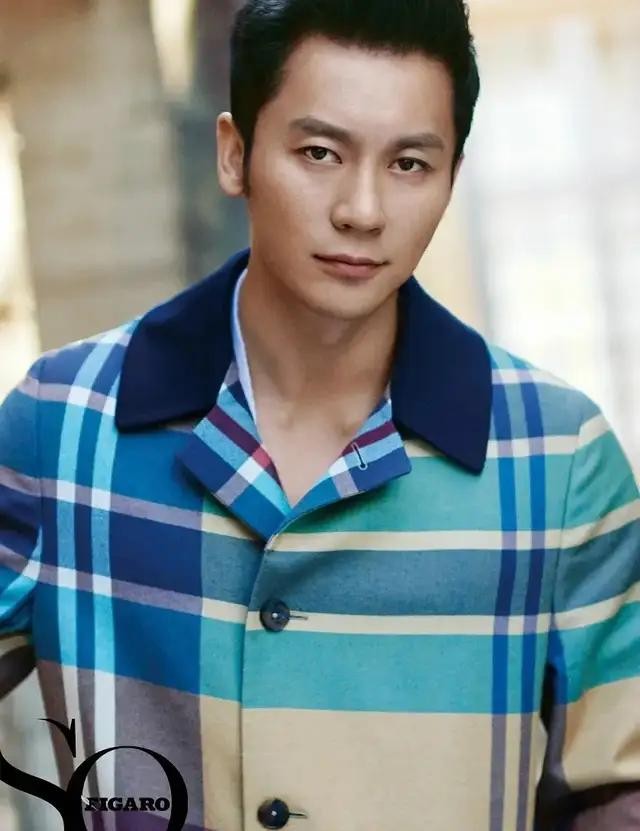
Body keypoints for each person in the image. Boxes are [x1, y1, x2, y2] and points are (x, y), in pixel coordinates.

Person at [0, 0, 638, 829]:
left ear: (452, 175)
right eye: (320, 153)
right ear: (235, 154)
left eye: (409, 163)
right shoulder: (65, 424)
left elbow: (620, 792)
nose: (362, 210)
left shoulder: (557, 457)